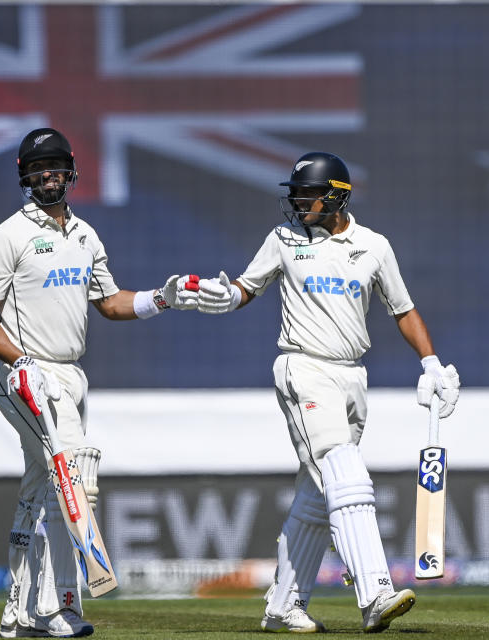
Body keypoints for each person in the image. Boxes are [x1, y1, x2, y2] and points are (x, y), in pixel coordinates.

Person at [193, 151, 460, 633]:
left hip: (353, 377)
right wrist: (222, 295)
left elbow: (403, 309)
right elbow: (244, 289)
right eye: (294, 194)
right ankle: (374, 591)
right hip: (303, 369)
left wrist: (431, 362)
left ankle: (282, 604)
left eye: (308, 195)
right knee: (345, 473)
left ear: (336, 197)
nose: (297, 203)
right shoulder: (283, 239)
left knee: (318, 496)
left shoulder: (374, 246)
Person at [0, 127, 200, 638]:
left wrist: (161, 299)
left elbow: (111, 303)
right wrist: (22, 361)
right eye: (37, 168)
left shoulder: (84, 235)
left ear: (71, 171)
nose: (47, 175)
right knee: (70, 475)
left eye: (55, 166)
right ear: (24, 176)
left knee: (39, 486)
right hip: (24, 375)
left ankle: (17, 611)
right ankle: (56, 607)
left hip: (71, 375)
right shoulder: (6, 236)